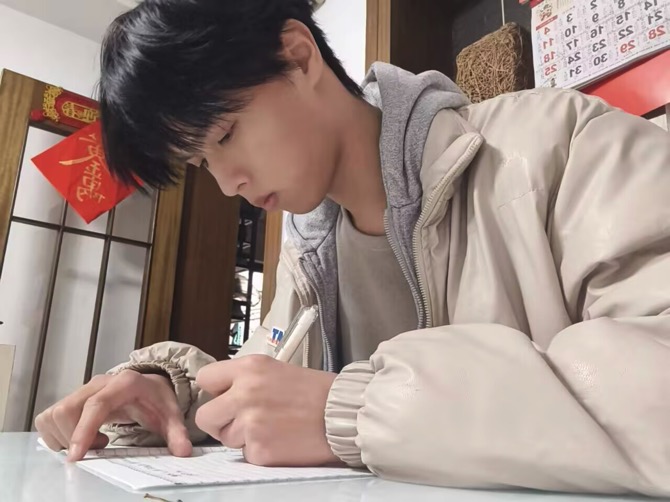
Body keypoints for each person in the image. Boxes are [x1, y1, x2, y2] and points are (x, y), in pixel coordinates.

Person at [35, 0, 670, 496]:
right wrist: (165, 391)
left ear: (297, 55)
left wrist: (352, 410)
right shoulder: (308, 251)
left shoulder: (561, 143)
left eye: (225, 135)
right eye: (202, 161)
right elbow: (267, 383)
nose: (228, 183)